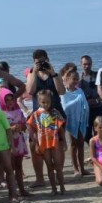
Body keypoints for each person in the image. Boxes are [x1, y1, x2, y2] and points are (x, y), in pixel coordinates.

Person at [25, 49, 65, 188]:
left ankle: (59, 175)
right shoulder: (32, 74)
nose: (41, 64)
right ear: (34, 62)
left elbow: (62, 91)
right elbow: (30, 91)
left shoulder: (54, 73)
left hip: (55, 114)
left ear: (47, 59)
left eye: (43, 61)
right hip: (38, 116)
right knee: (35, 145)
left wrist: (52, 73)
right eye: (38, 62)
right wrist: (34, 71)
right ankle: (40, 178)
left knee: (58, 144)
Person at [27, 89, 67, 195]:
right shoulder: (36, 114)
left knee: (58, 166)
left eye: (48, 102)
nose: (46, 104)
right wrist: (36, 144)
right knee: (49, 166)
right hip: (43, 143)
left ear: (51, 101)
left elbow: (61, 129)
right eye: (43, 102)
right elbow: (31, 129)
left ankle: (62, 187)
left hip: (55, 142)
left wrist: (64, 141)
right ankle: (54, 189)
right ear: (39, 102)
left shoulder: (55, 112)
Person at [0, 87, 30, 198]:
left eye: (11, 99)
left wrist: (20, 127)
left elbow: (24, 126)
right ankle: (12, 192)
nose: (10, 102)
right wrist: (10, 129)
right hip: (8, 143)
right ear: (2, 101)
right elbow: (0, 129)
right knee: (9, 168)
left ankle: (22, 189)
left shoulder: (19, 111)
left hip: (19, 141)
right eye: (7, 100)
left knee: (19, 166)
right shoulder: (1, 114)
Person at [61, 67, 89, 176]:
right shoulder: (64, 92)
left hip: (80, 120)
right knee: (73, 145)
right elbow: (65, 107)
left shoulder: (80, 91)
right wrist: (77, 101)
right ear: (68, 78)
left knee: (81, 144)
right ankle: (75, 168)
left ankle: (82, 168)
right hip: (70, 121)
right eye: (74, 79)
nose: (76, 81)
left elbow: (85, 105)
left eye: (77, 79)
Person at [79, 55, 102, 140]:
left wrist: (97, 100)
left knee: (99, 132)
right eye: (85, 64)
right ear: (81, 64)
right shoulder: (79, 78)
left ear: (92, 64)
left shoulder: (98, 76)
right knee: (86, 135)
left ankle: (98, 147)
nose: (87, 66)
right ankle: (92, 146)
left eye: (89, 64)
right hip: (85, 110)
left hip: (97, 108)